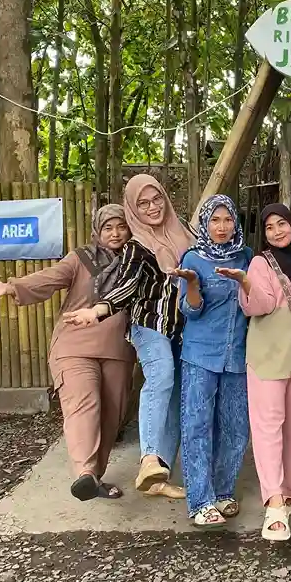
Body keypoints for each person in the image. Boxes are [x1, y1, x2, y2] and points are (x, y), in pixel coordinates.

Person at [0, 205, 136, 501]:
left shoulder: (137, 262)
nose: (115, 233)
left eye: (121, 227)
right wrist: (10, 287)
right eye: (108, 227)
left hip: (118, 351)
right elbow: (50, 277)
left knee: (112, 415)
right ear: (97, 231)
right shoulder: (82, 258)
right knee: (84, 404)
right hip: (74, 346)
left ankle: (93, 479)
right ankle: (84, 471)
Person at [63, 175, 192, 500]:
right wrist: (99, 310)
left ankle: (159, 476)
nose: (152, 207)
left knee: (176, 396)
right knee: (161, 375)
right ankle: (149, 458)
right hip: (149, 325)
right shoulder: (137, 246)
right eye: (143, 203)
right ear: (134, 208)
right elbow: (127, 285)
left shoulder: (185, 235)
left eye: (156, 199)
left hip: (183, 330)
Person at [237, 204, 291, 541]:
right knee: (269, 426)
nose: (277, 231)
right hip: (268, 352)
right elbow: (259, 305)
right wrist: (245, 283)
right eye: (269, 227)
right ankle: (273, 501)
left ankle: (289, 492)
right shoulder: (261, 263)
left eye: (282, 223)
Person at [173, 195, 252, 529]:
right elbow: (190, 311)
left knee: (236, 426)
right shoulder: (194, 258)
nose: (221, 227)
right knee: (197, 425)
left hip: (237, 353)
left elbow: (254, 301)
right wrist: (193, 284)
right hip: (200, 354)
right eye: (214, 220)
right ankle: (200, 500)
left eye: (227, 220)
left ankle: (222, 490)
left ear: (236, 222)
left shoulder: (247, 256)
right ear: (205, 224)